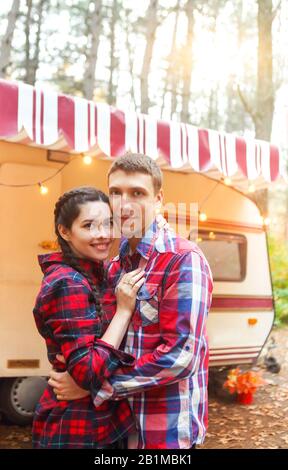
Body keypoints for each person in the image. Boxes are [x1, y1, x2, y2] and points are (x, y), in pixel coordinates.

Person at [49, 154, 213, 449]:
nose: (123, 205)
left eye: (137, 193)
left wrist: (95, 388)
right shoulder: (114, 263)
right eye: (115, 193)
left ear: (158, 199)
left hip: (164, 433)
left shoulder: (183, 260)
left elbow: (180, 358)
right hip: (117, 429)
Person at [32, 186, 146, 449]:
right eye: (89, 225)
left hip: (99, 422)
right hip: (75, 428)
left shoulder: (95, 271)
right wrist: (124, 311)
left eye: (108, 223)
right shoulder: (67, 282)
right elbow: (88, 372)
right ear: (65, 231)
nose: (104, 234)